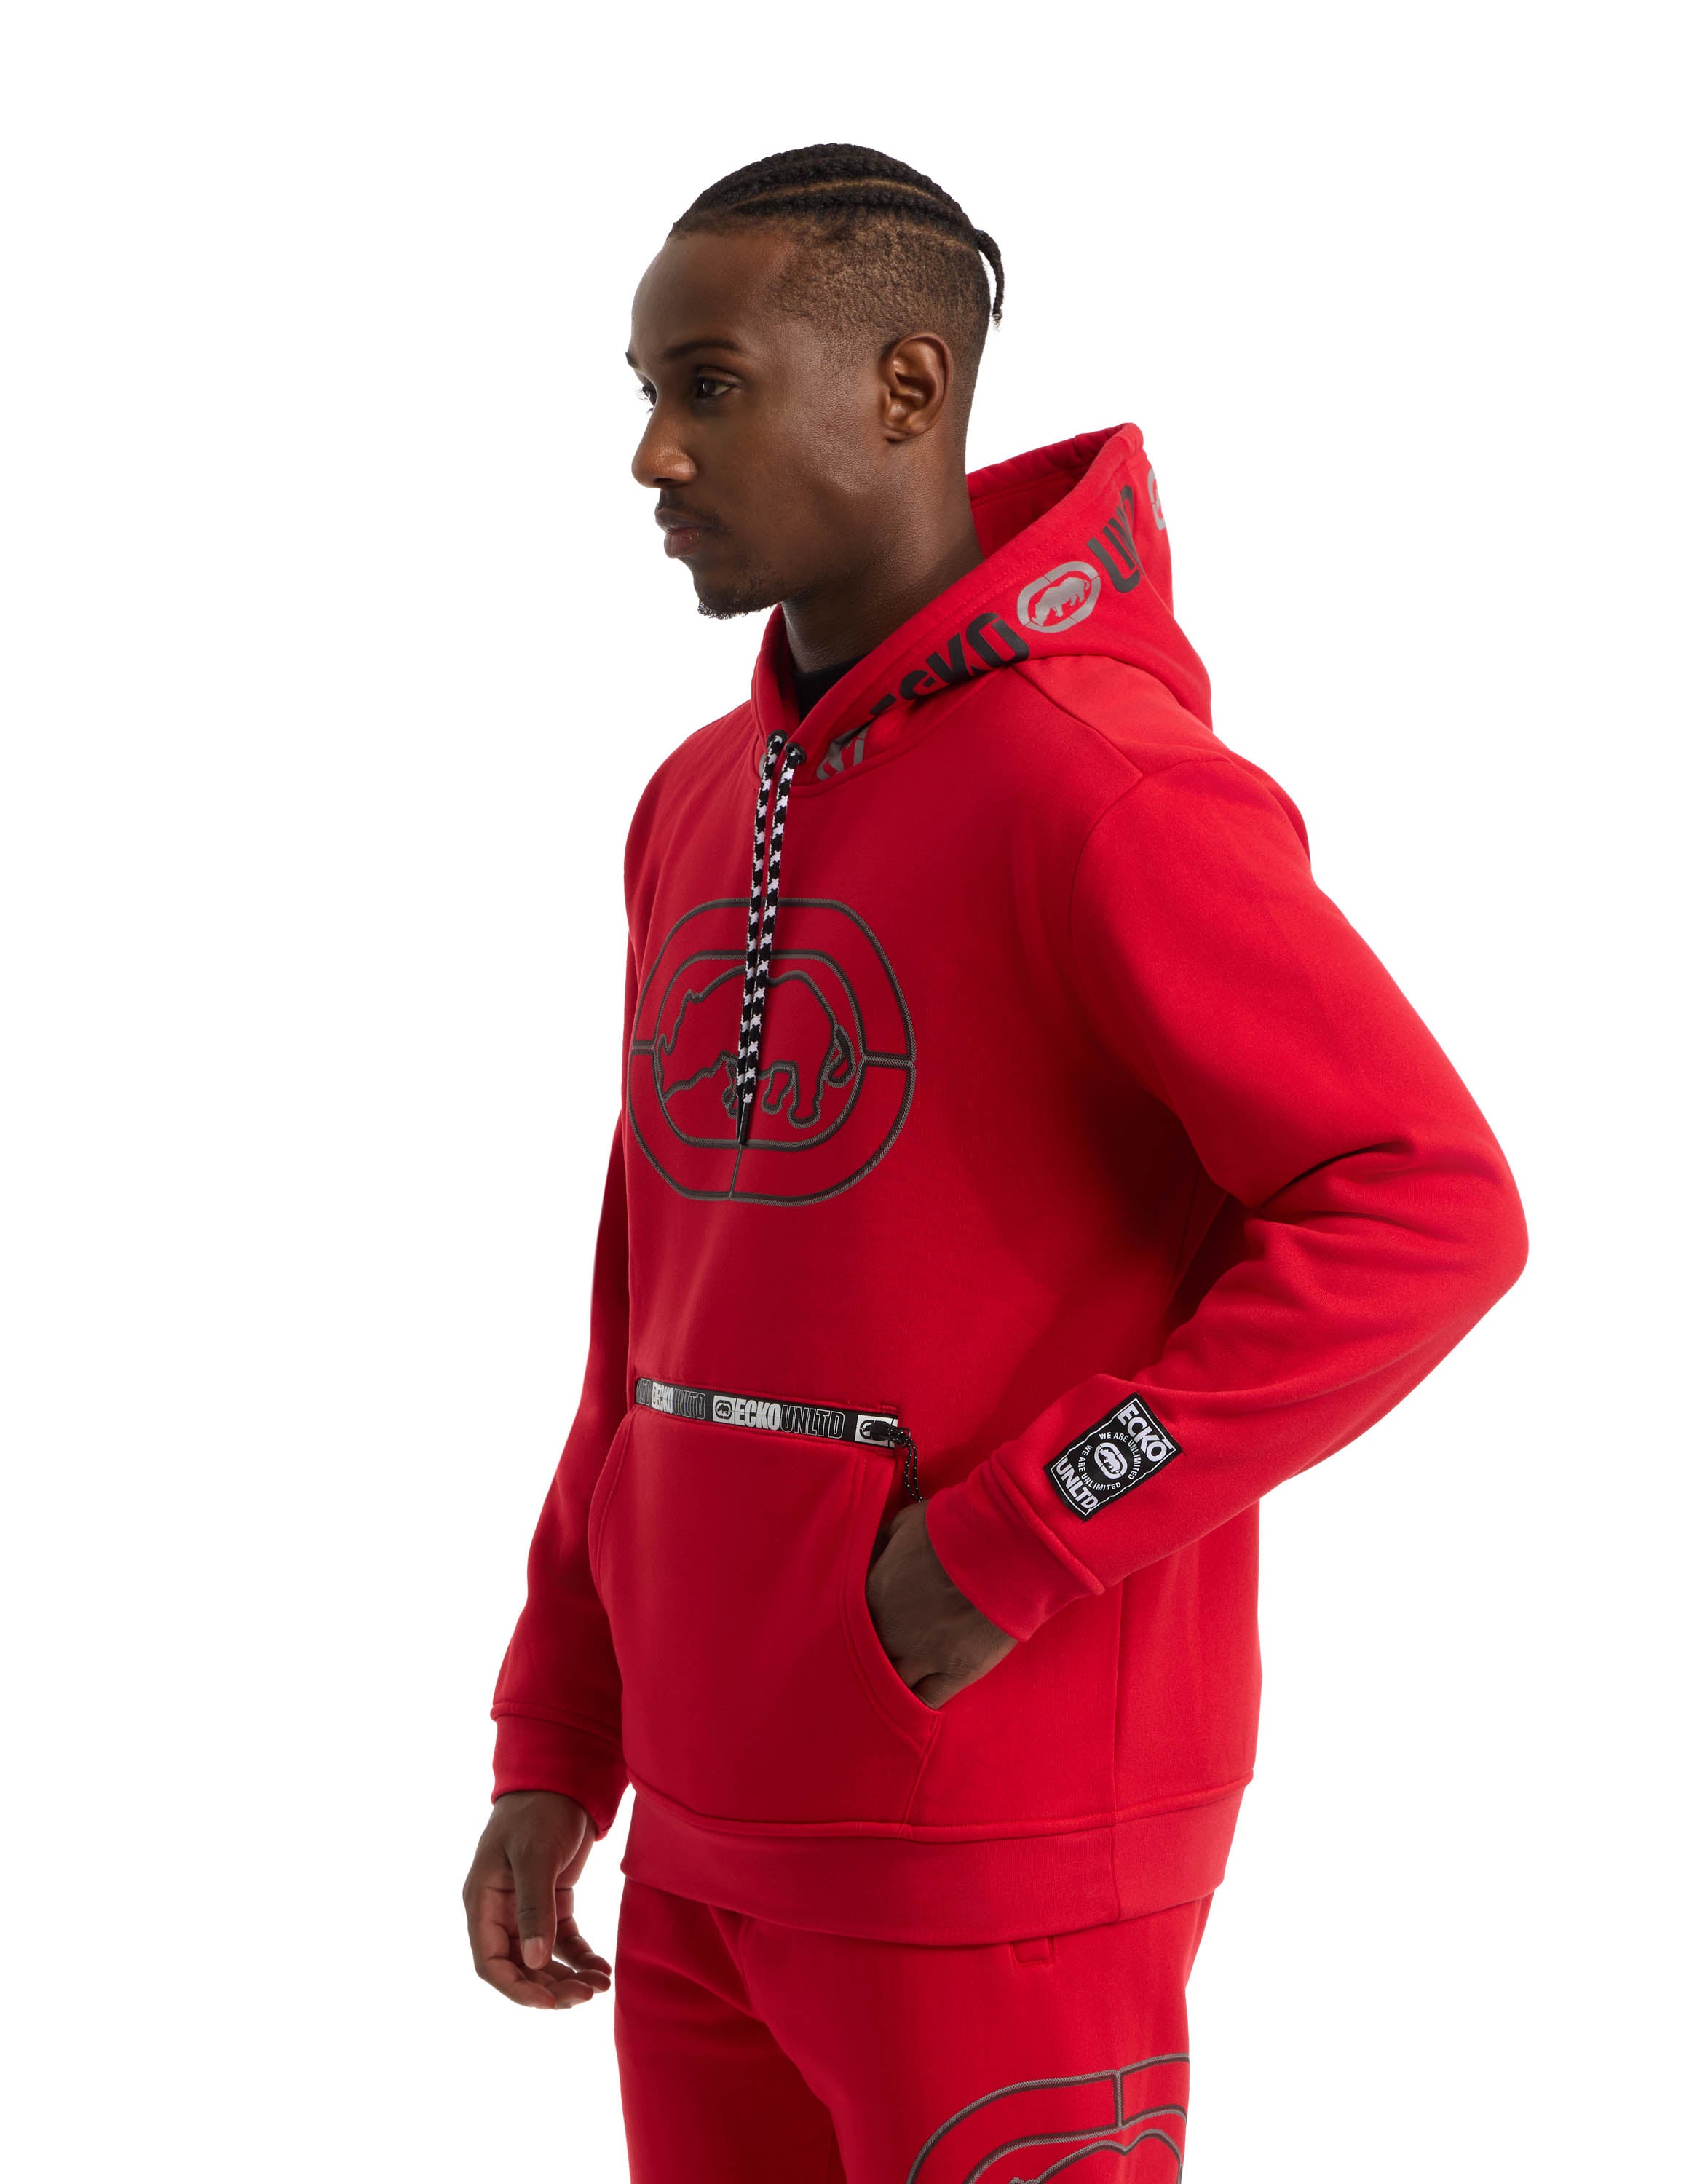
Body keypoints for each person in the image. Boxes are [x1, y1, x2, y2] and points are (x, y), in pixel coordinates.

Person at [462, 143, 1527, 2182]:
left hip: (996, 1835)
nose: (653, 455)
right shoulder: (694, 803)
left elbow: (1425, 1206)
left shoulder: (1104, 789)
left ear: (906, 386)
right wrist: (561, 1730)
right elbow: (646, 1309)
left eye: (707, 387)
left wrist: (1024, 1532)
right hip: (707, 1820)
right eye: (647, 393)